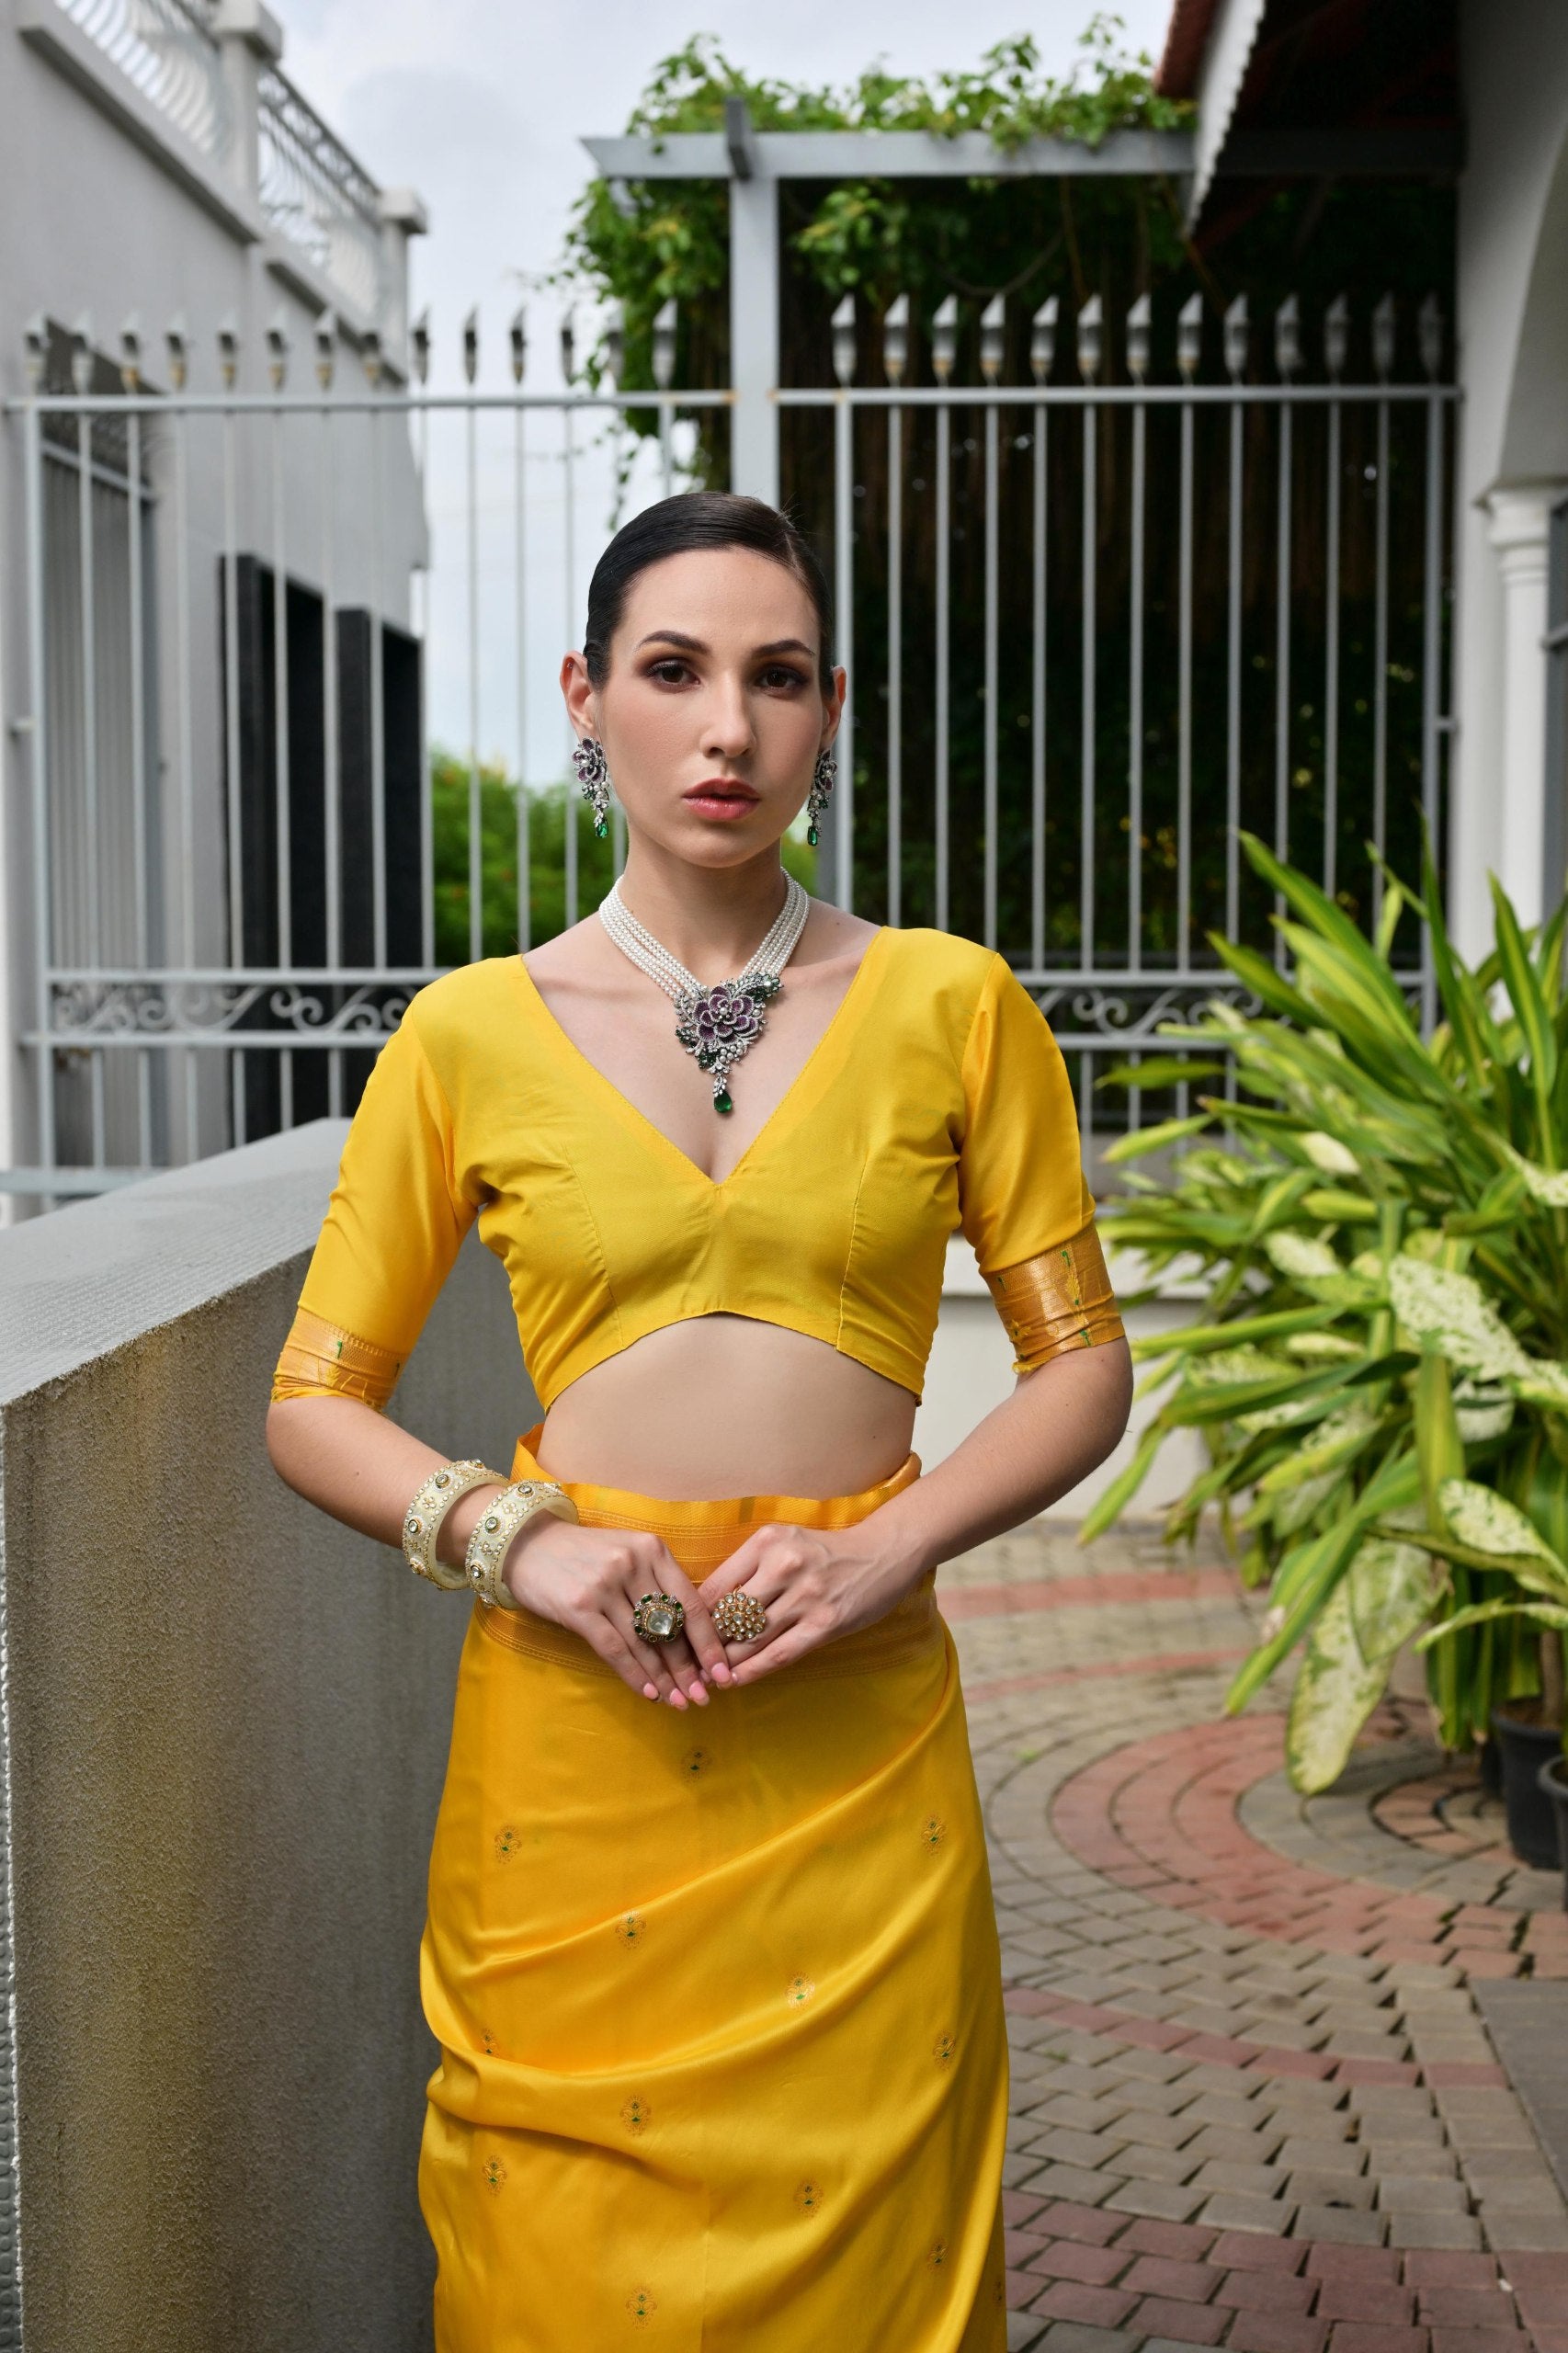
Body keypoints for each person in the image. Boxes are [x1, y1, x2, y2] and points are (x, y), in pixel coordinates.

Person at [266, 490, 1131, 2352]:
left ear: (832, 710)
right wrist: (523, 1543)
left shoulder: (952, 1004)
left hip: (857, 1746)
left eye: (777, 676)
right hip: (577, 1751)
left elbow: (1081, 1363)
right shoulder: (466, 1033)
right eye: (672, 670)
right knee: (556, 2268)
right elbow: (315, 1401)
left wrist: (889, 1543)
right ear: (586, 697)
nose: (727, 726)